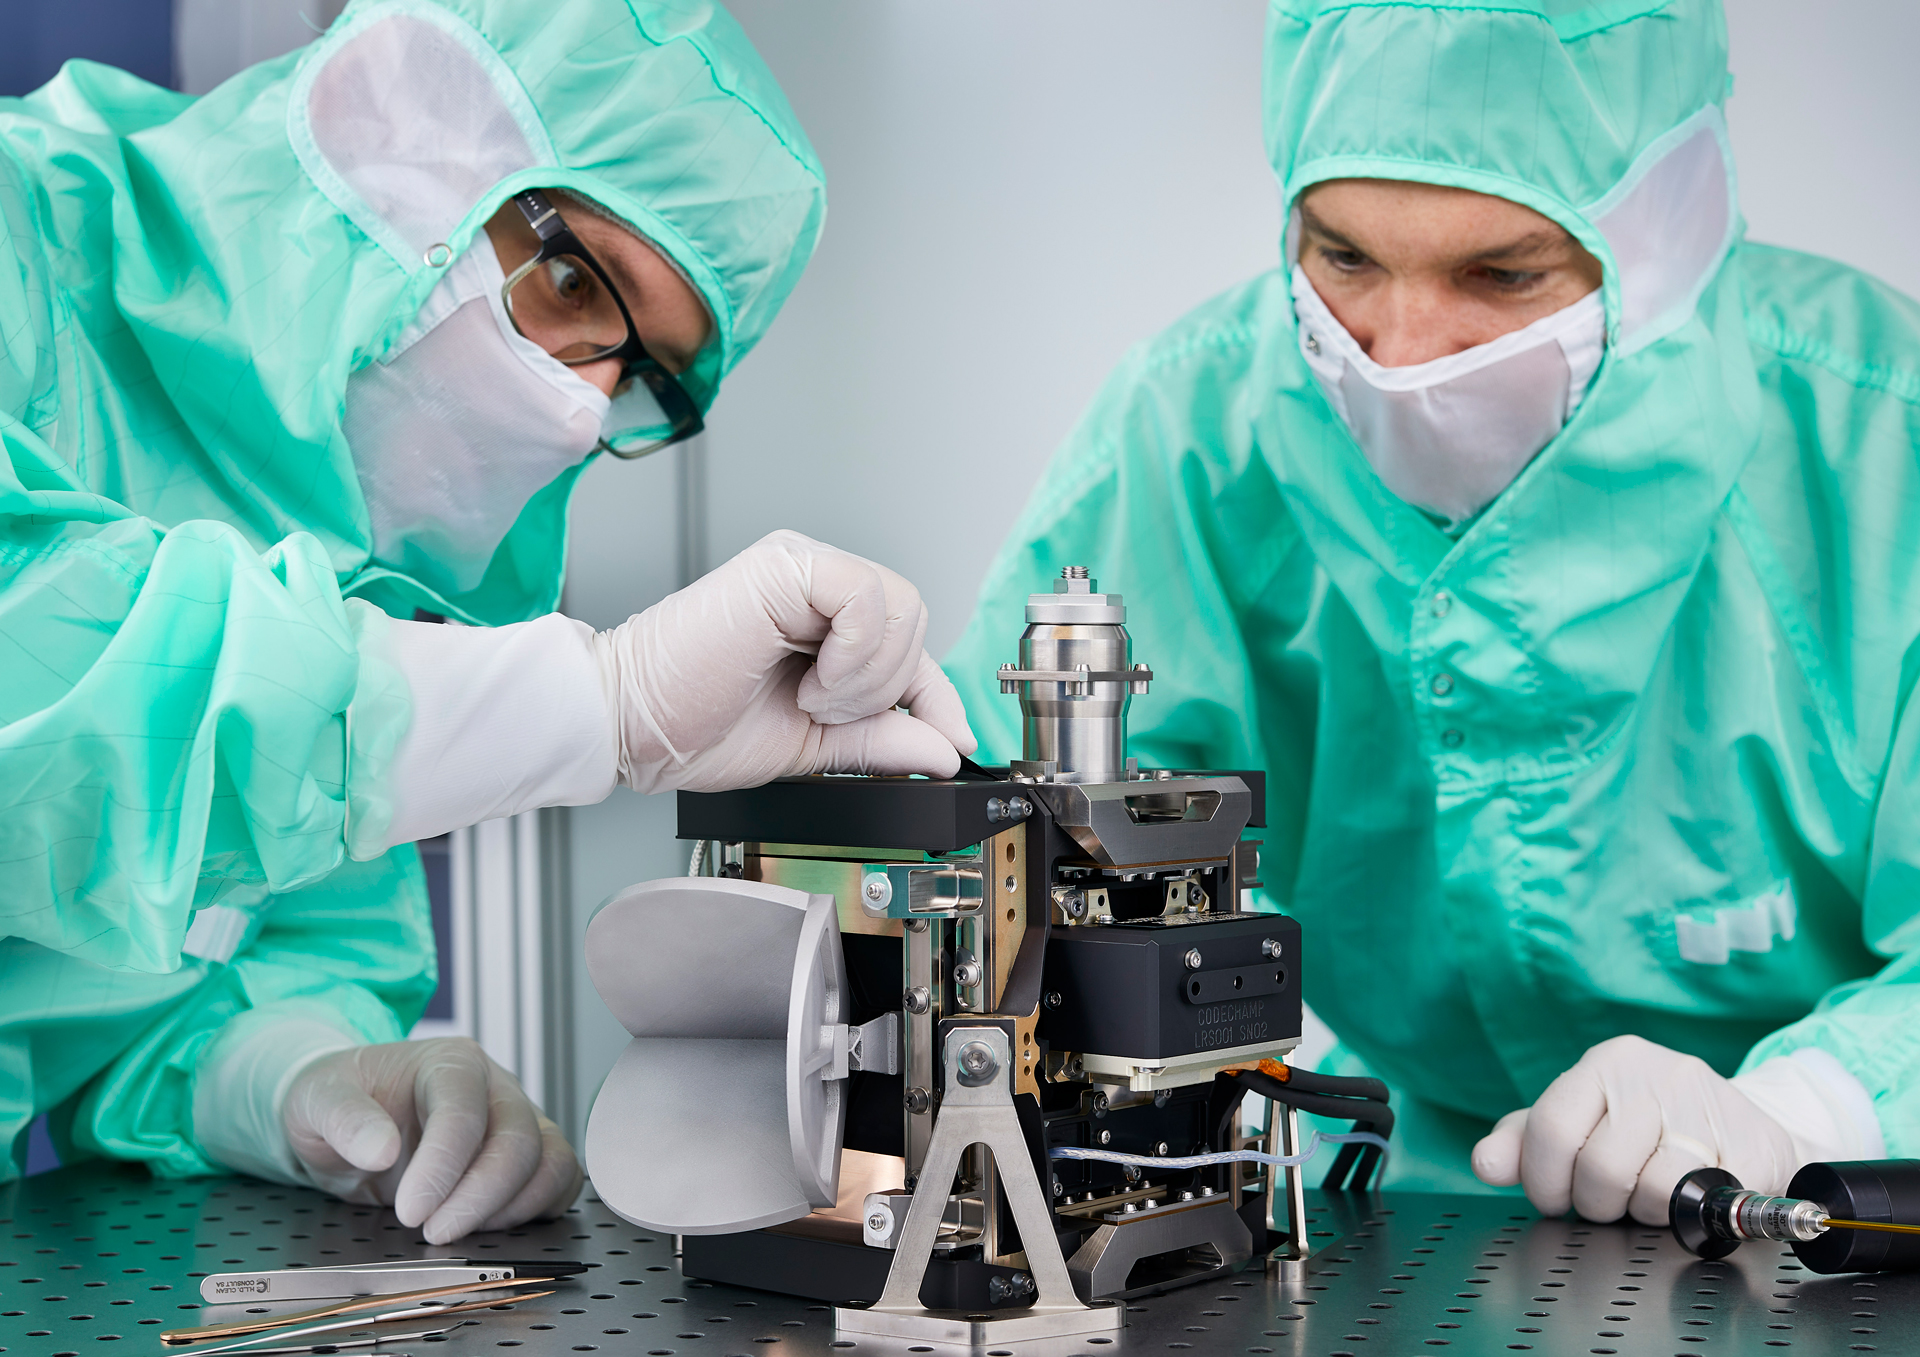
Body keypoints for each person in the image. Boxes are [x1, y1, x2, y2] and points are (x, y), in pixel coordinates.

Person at [0, 0, 973, 1244]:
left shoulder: (357, 582)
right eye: (574, 283)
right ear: (392, 122)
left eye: (640, 377)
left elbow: (190, 953)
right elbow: (46, 694)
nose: (582, 409)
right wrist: (598, 705)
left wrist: (288, 1076)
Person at [947, 0, 1920, 1225]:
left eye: (1502, 273)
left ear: (1668, 236)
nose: (1400, 353)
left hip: (1830, 1223)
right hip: (1401, 1209)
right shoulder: (1194, 435)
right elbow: (1010, 834)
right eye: (1344, 257)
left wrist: (1813, 1111)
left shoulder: (1883, 440)